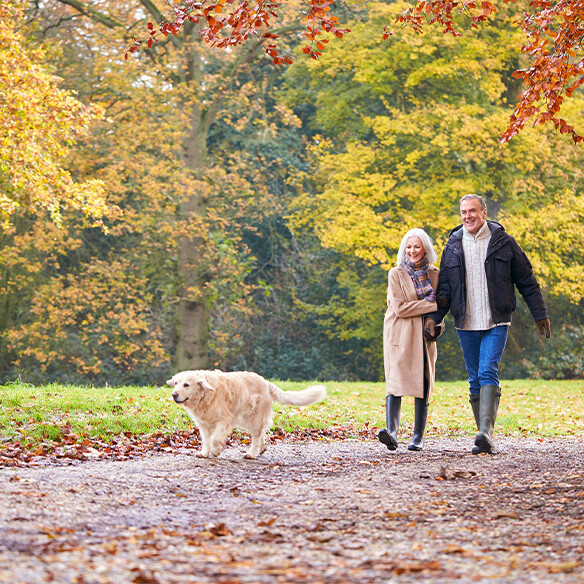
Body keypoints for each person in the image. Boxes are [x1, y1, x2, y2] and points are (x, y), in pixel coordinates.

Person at [426, 194, 551, 455]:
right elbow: (446, 289)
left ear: (484, 212)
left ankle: (486, 433)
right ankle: (483, 436)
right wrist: (435, 319)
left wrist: (540, 313)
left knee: (487, 371)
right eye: (463, 212)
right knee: (474, 379)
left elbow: (527, 279)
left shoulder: (504, 242)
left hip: (497, 319)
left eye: (472, 211)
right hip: (465, 321)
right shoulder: (453, 245)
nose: (467, 216)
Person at [378, 228, 442, 452]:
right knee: (395, 382)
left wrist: (437, 326)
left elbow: (440, 314)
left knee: (422, 383)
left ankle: (417, 437)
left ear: (425, 248)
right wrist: (434, 304)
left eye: (416, 246)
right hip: (399, 333)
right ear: (403, 249)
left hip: (424, 337)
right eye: (408, 246)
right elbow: (401, 308)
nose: (412, 250)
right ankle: (391, 433)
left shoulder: (435, 274)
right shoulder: (395, 274)